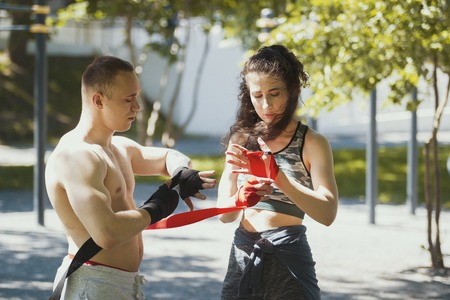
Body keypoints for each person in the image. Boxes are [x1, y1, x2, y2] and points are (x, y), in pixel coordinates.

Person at [45, 55, 216, 299]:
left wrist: (182, 172)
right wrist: (156, 208)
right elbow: (106, 233)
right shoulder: (76, 156)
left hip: (122, 283)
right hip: (93, 284)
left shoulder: (118, 147)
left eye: (137, 97)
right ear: (98, 100)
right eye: (129, 99)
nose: (137, 107)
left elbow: (169, 156)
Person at [217, 45, 338, 300]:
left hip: (289, 253)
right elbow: (225, 216)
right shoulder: (241, 139)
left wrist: (277, 177)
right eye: (257, 94)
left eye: (275, 93)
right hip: (243, 250)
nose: (266, 104)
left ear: (292, 91)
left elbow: (327, 214)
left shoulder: (312, 142)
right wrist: (242, 196)